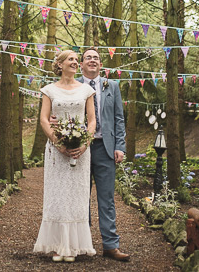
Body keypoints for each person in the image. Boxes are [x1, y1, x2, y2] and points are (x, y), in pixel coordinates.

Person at [33, 50, 97, 263]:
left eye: (76, 60)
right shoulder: (49, 90)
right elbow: (43, 119)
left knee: (77, 197)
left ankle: (74, 246)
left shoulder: (86, 90)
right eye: (70, 59)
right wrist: (57, 142)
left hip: (80, 152)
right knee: (57, 196)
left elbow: (91, 121)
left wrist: (85, 143)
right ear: (59, 64)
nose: (75, 63)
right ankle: (57, 246)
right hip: (56, 151)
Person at [79, 47, 130, 261]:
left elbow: (119, 118)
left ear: (101, 64)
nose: (93, 60)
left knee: (106, 198)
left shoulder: (113, 86)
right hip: (80, 149)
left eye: (96, 58)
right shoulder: (75, 86)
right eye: (88, 57)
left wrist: (120, 146)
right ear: (81, 64)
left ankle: (110, 245)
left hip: (106, 148)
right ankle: (83, 244)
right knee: (81, 198)